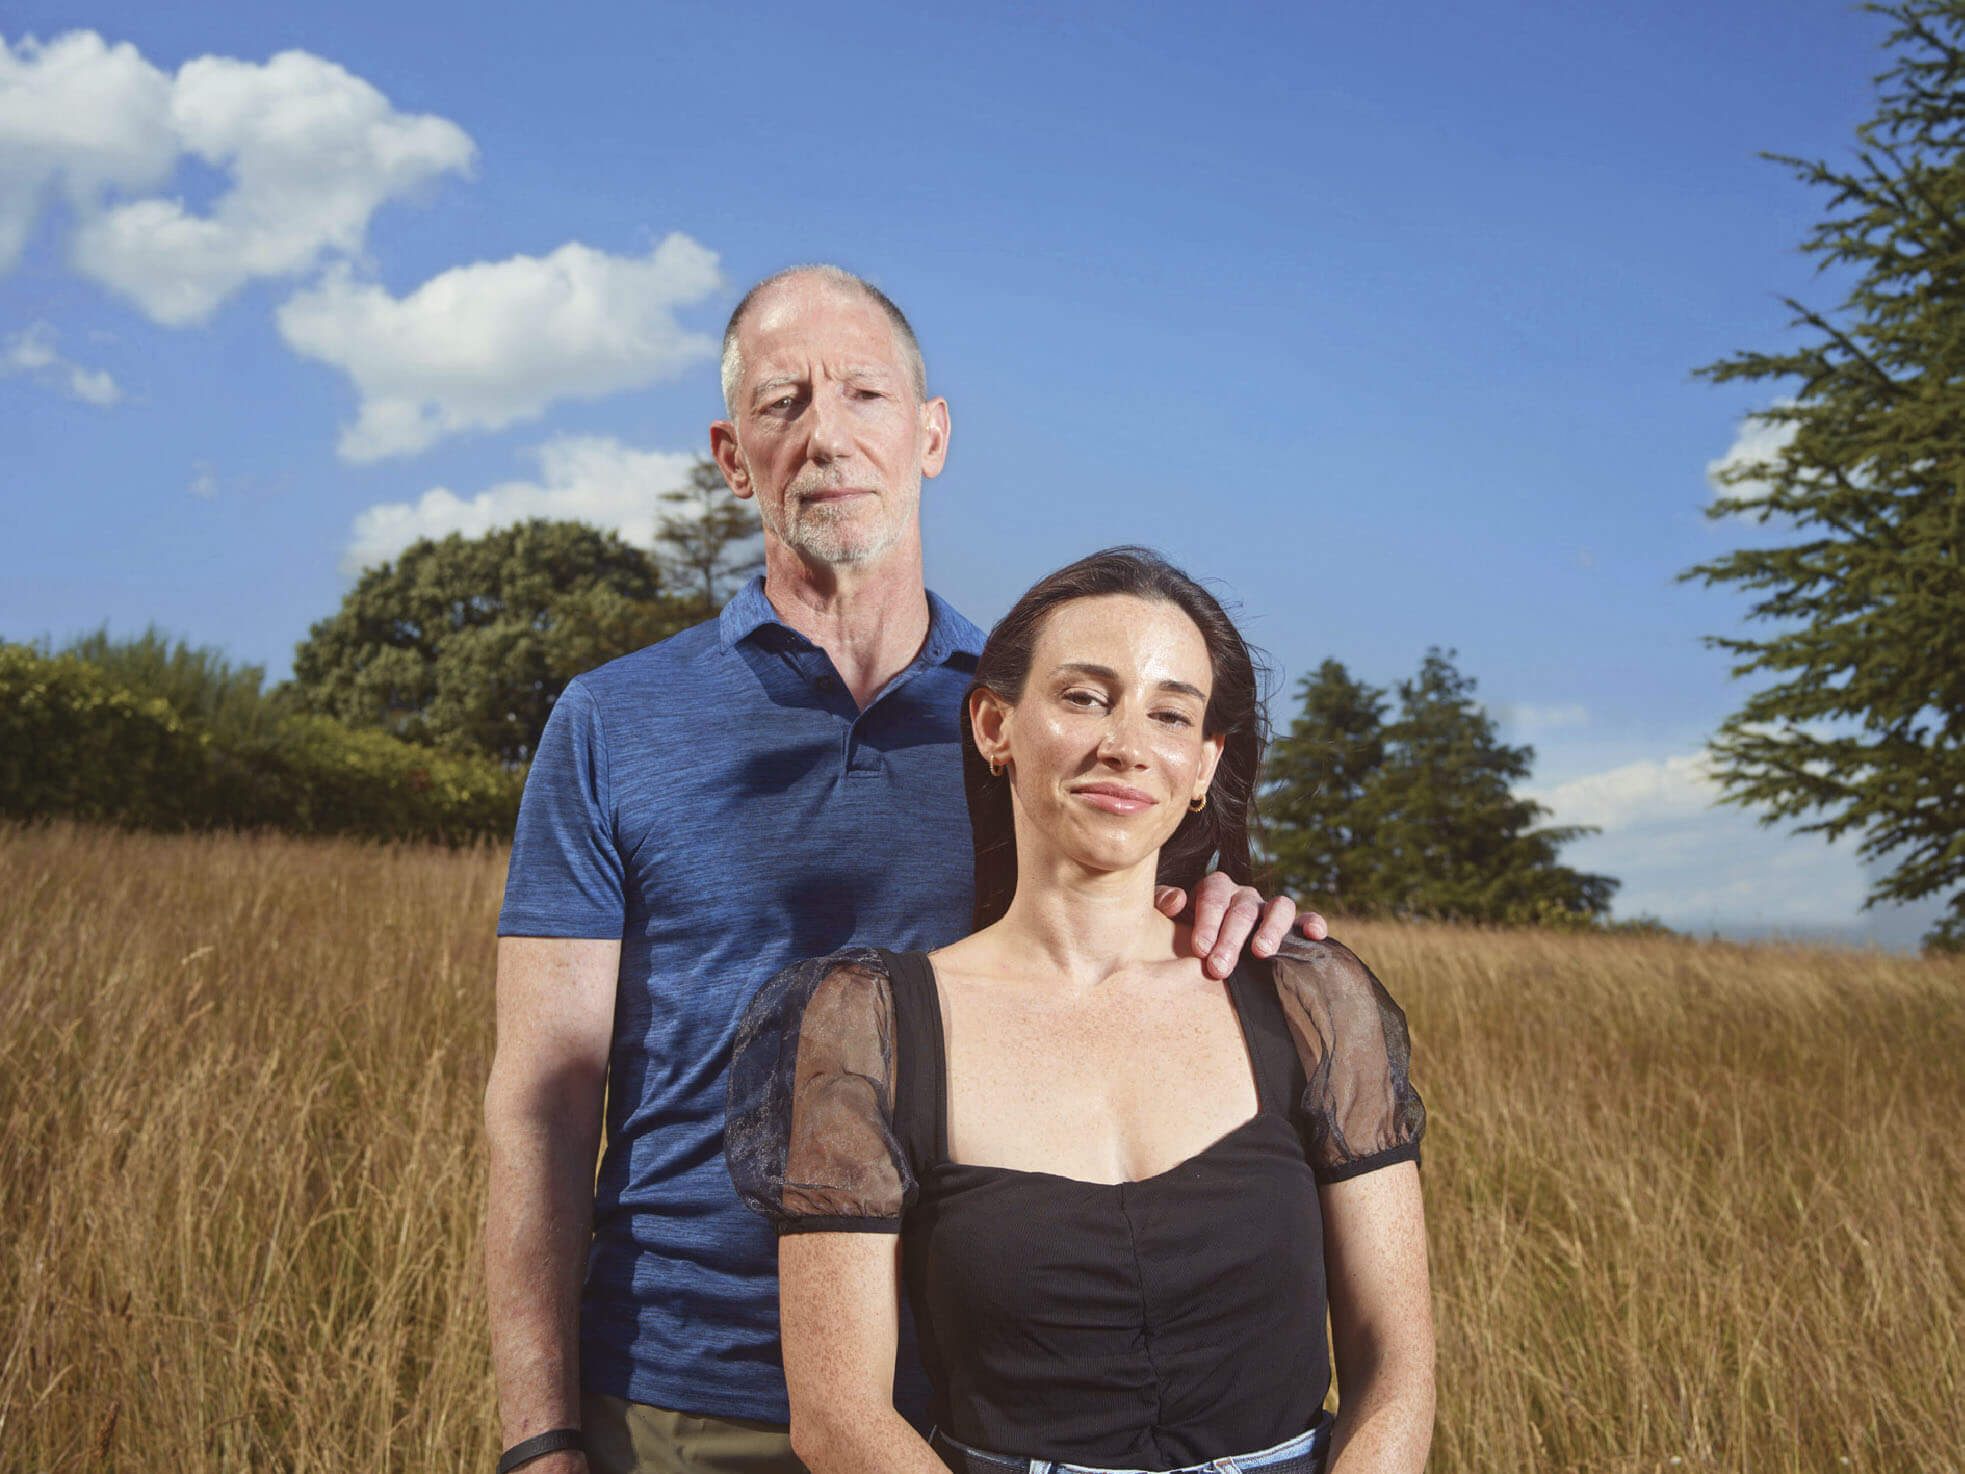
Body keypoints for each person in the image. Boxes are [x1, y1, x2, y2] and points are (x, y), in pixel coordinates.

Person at [484, 266, 1324, 1474]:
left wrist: (1226, 908)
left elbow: (1146, 936)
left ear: (930, 435)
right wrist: (540, 1436)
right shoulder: (611, 723)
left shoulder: (1046, 716)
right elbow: (544, 1101)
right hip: (684, 1397)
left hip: (979, 1399)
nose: (827, 434)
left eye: (866, 393)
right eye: (783, 404)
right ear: (733, 455)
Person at [726, 548, 1434, 1474]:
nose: (1126, 745)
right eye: (1084, 697)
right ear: (993, 725)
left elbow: (1399, 1370)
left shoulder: (1306, 996)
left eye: (1170, 713)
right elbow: (838, 1418)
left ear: (1201, 766)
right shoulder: (869, 1029)